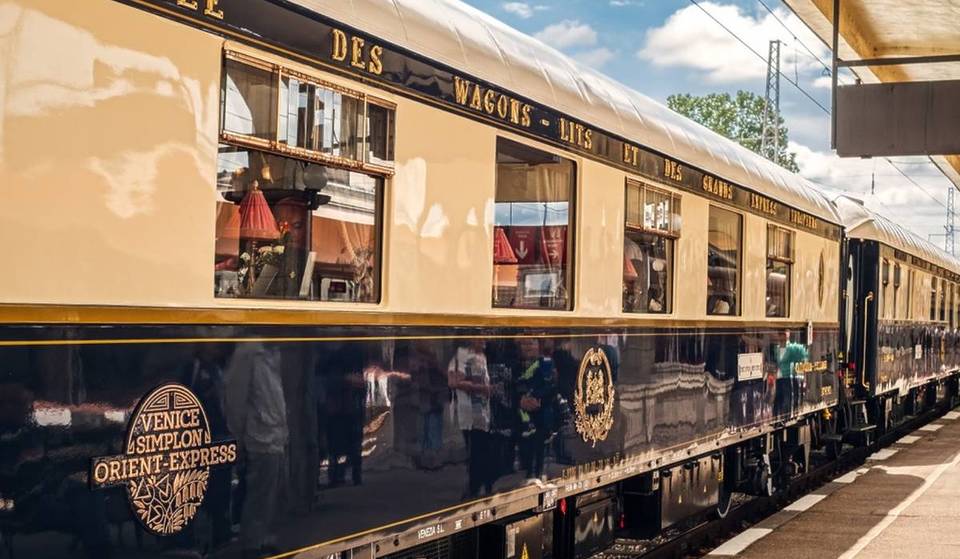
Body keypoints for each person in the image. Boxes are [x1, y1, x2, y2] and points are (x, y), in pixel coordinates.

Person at [225, 342, 288, 559]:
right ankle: (251, 544)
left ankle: (264, 539)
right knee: (259, 493)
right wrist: (238, 438)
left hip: (276, 434)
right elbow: (235, 399)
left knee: (273, 493)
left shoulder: (273, 351)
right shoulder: (249, 353)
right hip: (259, 436)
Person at [448, 341, 493, 498]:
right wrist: (482, 388)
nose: (484, 340)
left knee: (483, 452)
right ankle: (473, 489)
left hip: (483, 414)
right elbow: (454, 382)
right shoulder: (462, 355)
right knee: (474, 452)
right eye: (480, 337)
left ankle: (482, 487)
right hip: (468, 415)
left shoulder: (482, 356)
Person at [774, 331, 808, 418]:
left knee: (787, 398)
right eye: (781, 334)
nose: (783, 337)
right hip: (778, 378)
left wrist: (803, 374)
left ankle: (787, 416)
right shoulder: (776, 349)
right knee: (778, 398)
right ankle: (777, 417)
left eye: (785, 334)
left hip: (788, 377)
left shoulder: (793, 348)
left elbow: (804, 356)